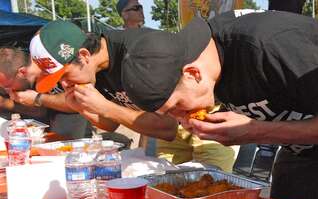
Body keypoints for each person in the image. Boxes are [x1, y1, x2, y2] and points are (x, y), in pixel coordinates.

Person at [115, 10, 318, 199]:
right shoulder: (207, 65)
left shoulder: (266, 44)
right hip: (306, 125)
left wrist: (257, 131)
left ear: (193, 73)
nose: (183, 122)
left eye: (178, 107)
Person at [115, 0, 238, 171]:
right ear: (123, 14)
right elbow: (152, 103)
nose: (141, 11)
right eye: (135, 8)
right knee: (169, 180)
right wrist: (141, 147)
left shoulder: (155, 38)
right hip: (173, 123)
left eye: (141, 6)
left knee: (213, 178)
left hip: (204, 109)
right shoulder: (116, 43)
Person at [28, 20, 178, 143]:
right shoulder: (93, 69)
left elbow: (168, 127)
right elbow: (110, 123)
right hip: (163, 131)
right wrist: (82, 108)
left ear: (84, 55)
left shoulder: (138, 54)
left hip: (194, 123)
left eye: (65, 75)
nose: (64, 85)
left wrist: (105, 107)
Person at [0, 47, 92, 139]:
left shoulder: (55, 66)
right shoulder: (24, 81)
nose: (8, 90)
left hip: (73, 125)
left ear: (22, 72)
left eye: (8, 86)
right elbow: (39, 111)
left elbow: (80, 100)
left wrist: (38, 98)